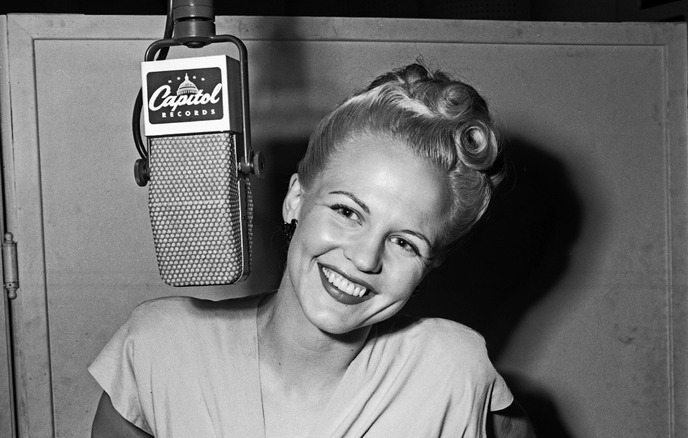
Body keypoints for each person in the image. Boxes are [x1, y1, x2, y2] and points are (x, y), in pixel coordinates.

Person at [90, 62, 534, 437]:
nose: (364, 259)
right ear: (296, 199)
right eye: (347, 211)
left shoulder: (454, 369)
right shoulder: (158, 349)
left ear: (430, 264)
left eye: (404, 243)